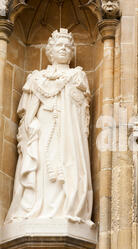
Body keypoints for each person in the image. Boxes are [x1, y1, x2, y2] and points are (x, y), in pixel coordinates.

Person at [5, 28, 93, 225]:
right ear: (50, 52)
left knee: (67, 166)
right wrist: (32, 125)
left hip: (69, 134)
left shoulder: (77, 77)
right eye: (58, 46)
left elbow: (82, 114)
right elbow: (27, 112)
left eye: (67, 47)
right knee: (43, 169)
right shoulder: (37, 79)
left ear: (71, 53)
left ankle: (67, 209)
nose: (63, 49)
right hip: (44, 131)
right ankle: (37, 210)